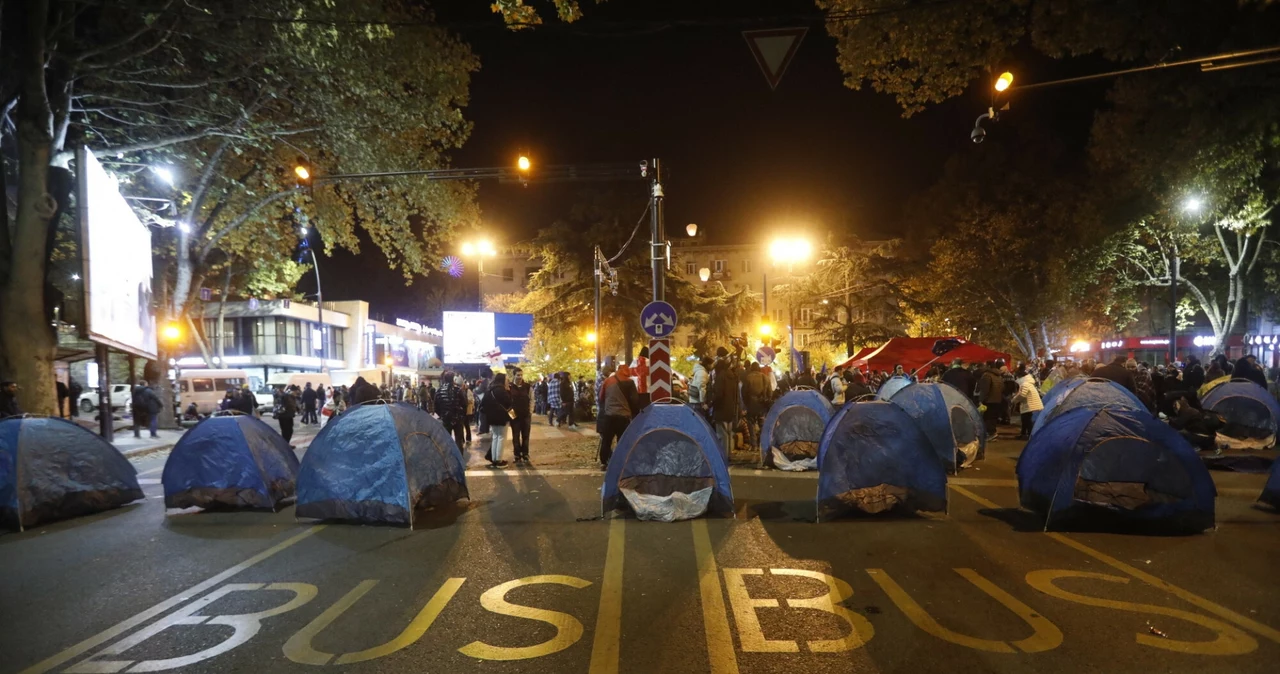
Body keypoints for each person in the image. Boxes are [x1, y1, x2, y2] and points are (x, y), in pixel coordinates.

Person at [597, 363, 639, 467]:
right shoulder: (629, 382)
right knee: (622, 440)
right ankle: (620, 463)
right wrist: (635, 413)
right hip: (623, 416)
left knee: (606, 440)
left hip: (609, 415)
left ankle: (604, 462)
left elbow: (601, 398)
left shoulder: (607, 381)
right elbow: (634, 400)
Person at [710, 348, 741, 456]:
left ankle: (723, 456)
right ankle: (728, 454)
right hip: (730, 408)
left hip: (721, 409)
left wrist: (711, 403)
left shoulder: (720, 377)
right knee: (728, 433)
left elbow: (718, 394)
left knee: (722, 434)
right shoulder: (731, 376)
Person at [483, 373, 512, 468]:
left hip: (491, 417)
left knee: (495, 437)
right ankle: (498, 460)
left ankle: (495, 459)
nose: (507, 381)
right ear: (502, 380)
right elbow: (509, 402)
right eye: (506, 380)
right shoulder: (502, 390)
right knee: (501, 437)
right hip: (501, 417)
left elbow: (483, 404)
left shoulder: (489, 389)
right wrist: (508, 391)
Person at [434, 372, 468, 450]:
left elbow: (436, 407)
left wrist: (442, 415)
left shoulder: (439, 391)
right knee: (458, 440)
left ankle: (449, 460)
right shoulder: (458, 390)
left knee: (446, 441)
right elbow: (464, 404)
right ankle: (459, 460)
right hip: (458, 418)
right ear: (453, 379)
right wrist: (462, 416)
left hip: (445, 419)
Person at [1011, 365, 1043, 440]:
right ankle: (1024, 434)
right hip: (1029, 404)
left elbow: (1022, 395)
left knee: (1027, 421)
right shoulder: (1028, 383)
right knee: (1025, 420)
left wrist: (1014, 400)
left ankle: (1028, 435)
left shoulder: (1025, 384)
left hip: (1029, 405)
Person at [975, 361, 1004, 441]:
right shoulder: (998, 376)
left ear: (988, 366)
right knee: (993, 417)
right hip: (997, 399)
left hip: (989, 400)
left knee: (987, 417)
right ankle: (993, 432)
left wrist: (981, 400)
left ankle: (990, 433)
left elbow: (985, 389)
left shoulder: (987, 375)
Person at [509, 369, 533, 463]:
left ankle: (525, 454)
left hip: (526, 415)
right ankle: (517, 455)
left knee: (525, 436)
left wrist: (530, 411)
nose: (520, 377)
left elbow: (532, 399)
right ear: (514, 375)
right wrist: (511, 415)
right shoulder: (509, 387)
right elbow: (507, 402)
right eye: (518, 375)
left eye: (521, 375)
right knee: (515, 436)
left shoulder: (527, 387)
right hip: (514, 416)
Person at [742, 362, 767, 449]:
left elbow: (744, 392)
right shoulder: (764, 377)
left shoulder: (748, 378)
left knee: (751, 424)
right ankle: (762, 442)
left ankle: (754, 444)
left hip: (751, 404)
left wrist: (746, 403)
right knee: (762, 424)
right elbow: (769, 390)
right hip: (762, 404)